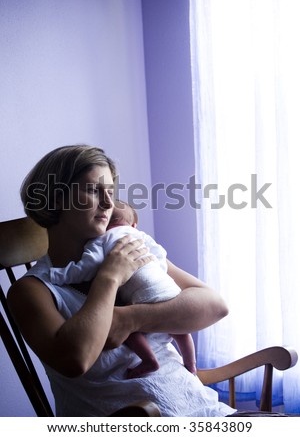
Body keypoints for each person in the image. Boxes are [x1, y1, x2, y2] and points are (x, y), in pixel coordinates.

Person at [7, 144, 235, 417]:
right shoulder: (32, 290)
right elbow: (74, 359)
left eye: (111, 193)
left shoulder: (125, 247)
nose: (108, 204)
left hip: (207, 411)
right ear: (56, 199)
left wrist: (130, 318)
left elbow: (214, 305)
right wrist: (109, 277)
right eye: (93, 191)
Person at [50, 199, 197, 379]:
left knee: (130, 332)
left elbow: (87, 266)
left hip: (139, 296)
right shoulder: (140, 236)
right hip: (168, 288)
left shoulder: (102, 239)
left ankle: (149, 360)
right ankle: (191, 364)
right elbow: (159, 253)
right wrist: (159, 269)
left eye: (110, 192)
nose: (106, 201)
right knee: (182, 331)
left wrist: (62, 275)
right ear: (134, 224)